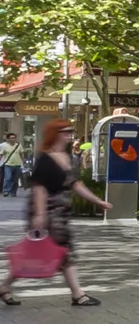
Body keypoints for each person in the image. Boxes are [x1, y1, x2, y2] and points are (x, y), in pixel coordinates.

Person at [0, 118, 107, 307]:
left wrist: (97, 201)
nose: (69, 135)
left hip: (61, 211)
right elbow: (39, 188)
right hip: (48, 211)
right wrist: (40, 215)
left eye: (70, 131)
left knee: (39, 253)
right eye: (65, 131)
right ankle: (78, 294)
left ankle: (4, 287)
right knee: (63, 250)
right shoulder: (45, 158)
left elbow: (75, 183)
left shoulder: (66, 156)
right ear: (55, 134)